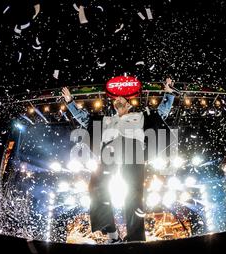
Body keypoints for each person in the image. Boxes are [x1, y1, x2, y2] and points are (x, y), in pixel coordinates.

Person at [62, 78, 175, 242]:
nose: (118, 100)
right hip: (110, 155)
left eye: (122, 99)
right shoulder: (107, 120)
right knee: (96, 188)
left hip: (133, 155)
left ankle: (135, 237)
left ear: (129, 104)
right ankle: (112, 234)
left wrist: (168, 94)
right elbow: (84, 119)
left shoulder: (140, 117)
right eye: (116, 99)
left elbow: (161, 113)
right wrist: (70, 102)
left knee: (134, 196)